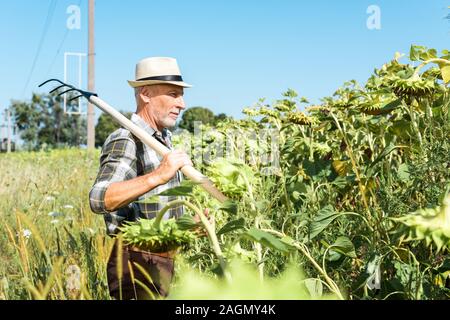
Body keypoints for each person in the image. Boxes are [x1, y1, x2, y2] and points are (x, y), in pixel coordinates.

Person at [89, 57, 195, 300]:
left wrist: (189, 225)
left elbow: (154, 207)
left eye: (181, 95)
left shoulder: (163, 140)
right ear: (145, 93)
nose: (182, 104)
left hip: (162, 260)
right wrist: (158, 175)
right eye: (173, 94)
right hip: (136, 262)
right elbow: (99, 198)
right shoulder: (126, 138)